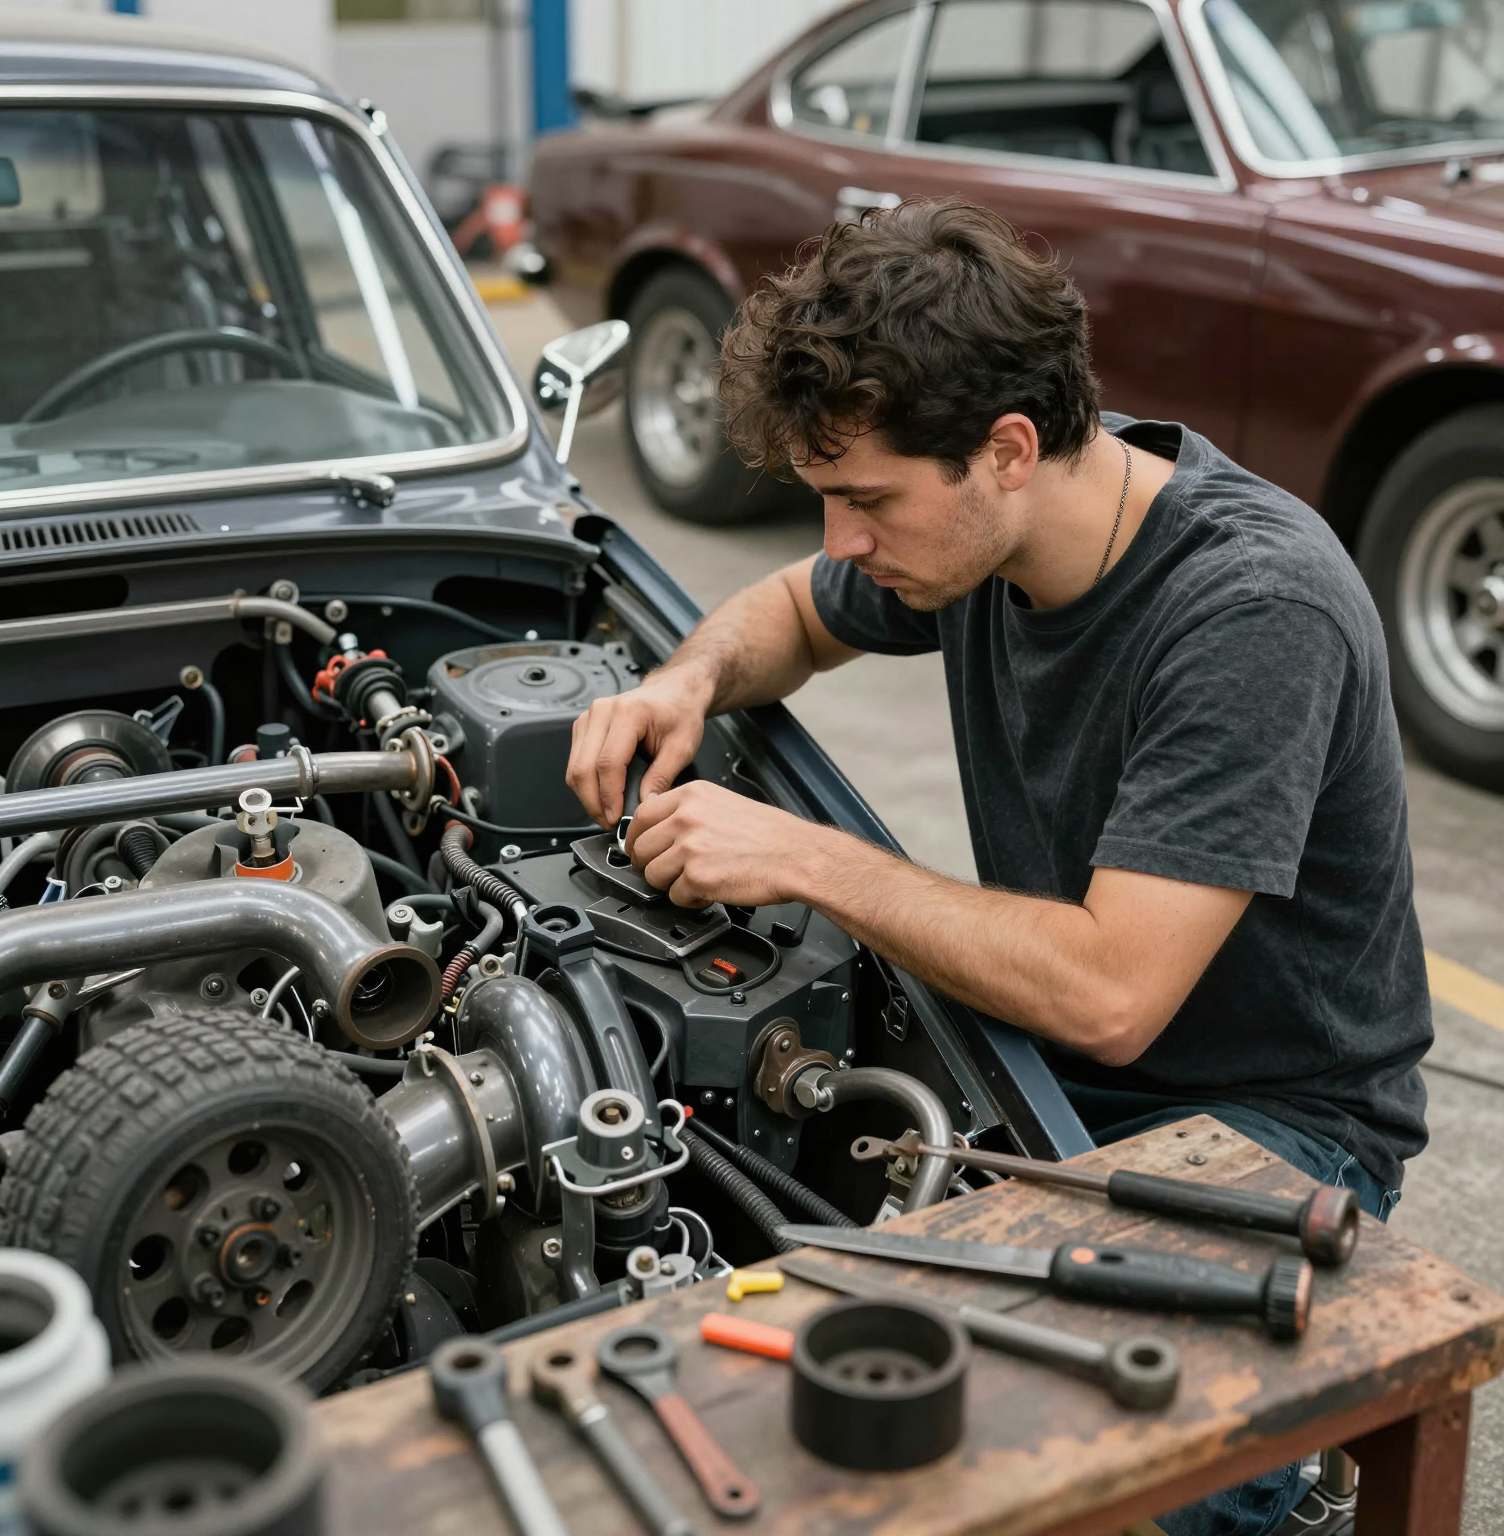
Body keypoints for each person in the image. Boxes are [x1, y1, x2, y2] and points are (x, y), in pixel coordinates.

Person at [565, 199, 1431, 1535]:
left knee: (1043, 1477)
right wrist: (687, 680)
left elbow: (1111, 994)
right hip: (1035, 1069)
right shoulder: (963, 540)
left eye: (864, 501)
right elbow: (789, 611)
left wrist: (803, 856)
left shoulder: (1251, 608)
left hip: (1267, 1122)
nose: (842, 538)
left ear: (1008, 449)